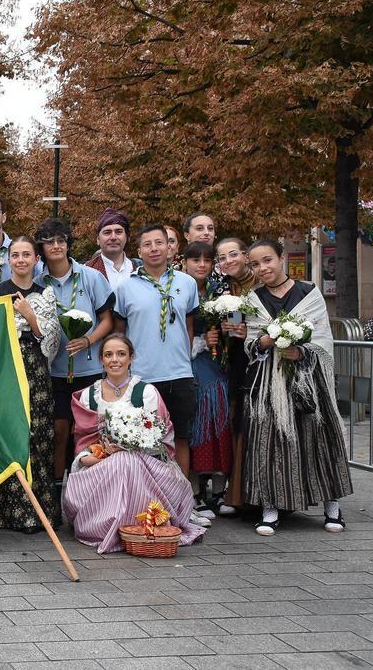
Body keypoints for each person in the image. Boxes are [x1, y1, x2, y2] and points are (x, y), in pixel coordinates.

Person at [243, 239, 353, 536]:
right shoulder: (254, 299)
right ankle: (270, 508)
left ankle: (332, 506)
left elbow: (323, 339)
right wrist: (264, 342)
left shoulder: (309, 293)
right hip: (269, 382)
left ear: (281, 258)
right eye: (255, 264)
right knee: (270, 442)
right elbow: (250, 342)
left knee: (319, 438)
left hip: (308, 381)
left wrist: (302, 352)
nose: (262, 268)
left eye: (267, 260)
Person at [63, 334, 206, 553]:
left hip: (146, 465)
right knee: (120, 462)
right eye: (108, 354)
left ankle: (129, 523)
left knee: (126, 461)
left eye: (121, 354)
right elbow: (84, 441)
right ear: (101, 359)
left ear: (132, 358)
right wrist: (102, 454)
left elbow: (162, 440)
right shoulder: (90, 395)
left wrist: (130, 447)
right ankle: (107, 525)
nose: (115, 360)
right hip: (100, 463)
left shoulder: (146, 392)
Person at [112, 225, 208, 531]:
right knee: (144, 442)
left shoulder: (187, 283)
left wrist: (182, 359)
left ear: (171, 248)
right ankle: (147, 504)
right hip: (142, 377)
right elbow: (120, 332)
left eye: (160, 243)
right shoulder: (125, 288)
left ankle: (183, 504)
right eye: (147, 244)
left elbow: (189, 327)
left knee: (181, 438)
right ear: (138, 251)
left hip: (179, 373)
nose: (154, 248)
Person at [0, 237, 62, 532]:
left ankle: (37, 511)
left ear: (37, 259)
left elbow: (50, 341)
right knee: (7, 433)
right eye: (15, 255)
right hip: (4, 369)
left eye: (26, 255)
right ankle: (4, 511)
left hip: (35, 371)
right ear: (8, 260)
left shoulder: (44, 292)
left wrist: (29, 316)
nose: (20, 260)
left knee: (36, 434)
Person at [34, 218, 115, 482]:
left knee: (89, 431)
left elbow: (107, 320)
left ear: (69, 244)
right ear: (42, 248)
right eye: (49, 242)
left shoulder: (91, 277)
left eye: (61, 240)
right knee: (59, 430)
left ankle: (88, 487)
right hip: (55, 370)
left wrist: (89, 340)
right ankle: (58, 489)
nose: (56, 246)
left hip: (89, 368)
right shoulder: (38, 283)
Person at [182, 242, 234, 519]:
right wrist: (201, 340)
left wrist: (225, 331)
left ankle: (219, 488)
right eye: (195, 260)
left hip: (219, 362)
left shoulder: (220, 291)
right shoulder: (179, 289)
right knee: (197, 422)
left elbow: (236, 322)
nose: (201, 265)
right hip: (189, 361)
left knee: (221, 422)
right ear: (184, 262)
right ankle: (195, 489)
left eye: (207, 260)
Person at [214, 237, 257, 508]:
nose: (228, 261)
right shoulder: (223, 288)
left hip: (262, 361)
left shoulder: (262, 284)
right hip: (235, 361)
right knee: (236, 421)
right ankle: (237, 489)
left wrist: (250, 332)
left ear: (245, 255)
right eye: (222, 257)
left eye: (233, 255)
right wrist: (220, 330)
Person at [85, 208, 142, 290]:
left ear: (127, 237)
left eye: (118, 232)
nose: (113, 237)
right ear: (98, 239)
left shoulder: (141, 269)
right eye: (107, 232)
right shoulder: (86, 272)